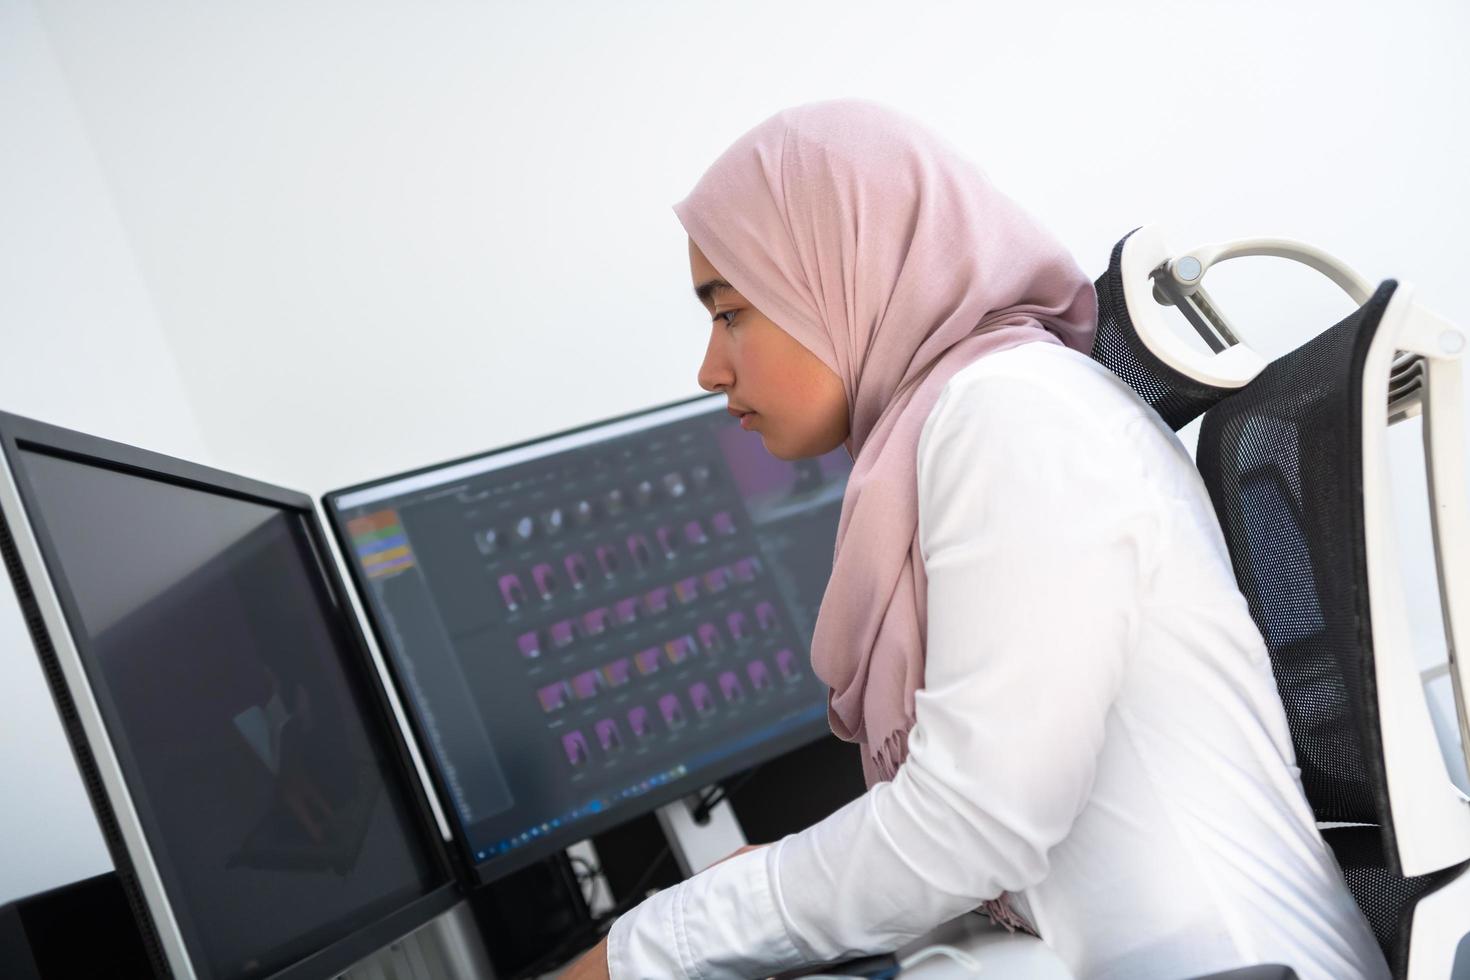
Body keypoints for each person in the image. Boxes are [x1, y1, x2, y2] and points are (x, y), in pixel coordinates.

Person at [564, 99, 1388, 980]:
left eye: (730, 313)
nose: (709, 368)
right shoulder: (957, 429)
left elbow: (971, 825)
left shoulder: (1012, 417)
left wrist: (650, 947)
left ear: (842, 268)